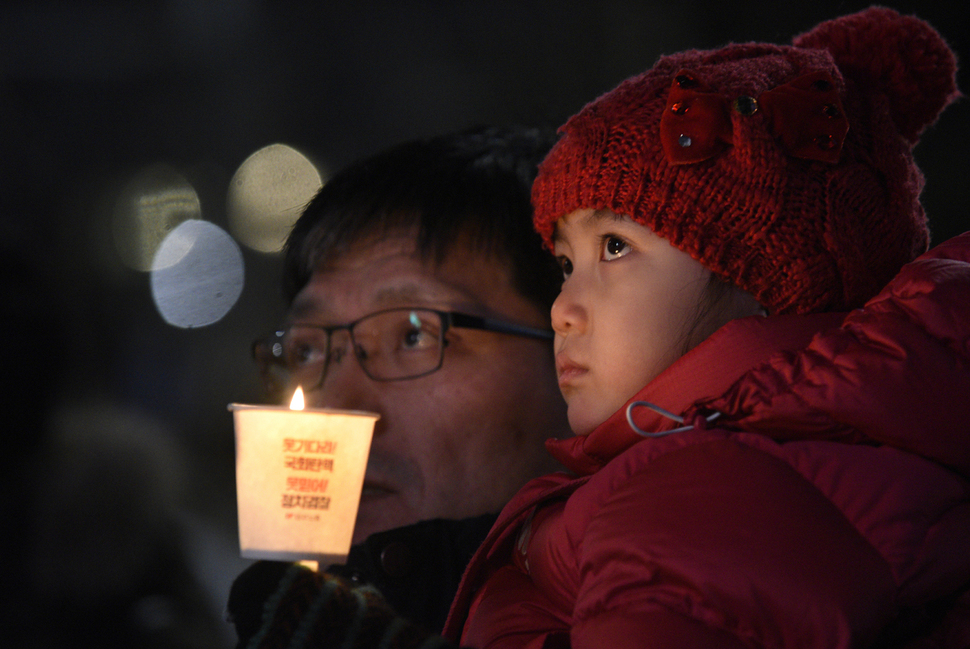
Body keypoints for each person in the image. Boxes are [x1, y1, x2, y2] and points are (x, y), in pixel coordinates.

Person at [439, 7, 970, 649]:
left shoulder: (702, 497)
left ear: (771, 282)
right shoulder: (761, 465)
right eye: (564, 264)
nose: (562, 309)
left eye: (613, 247)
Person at [226, 125, 572, 643]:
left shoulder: (678, 601)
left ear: (575, 351)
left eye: (413, 334)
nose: (334, 407)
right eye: (306, 349)